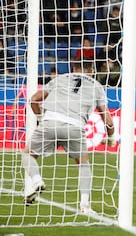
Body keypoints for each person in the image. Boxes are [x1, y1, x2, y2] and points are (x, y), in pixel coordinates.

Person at [21, 60, 115, 213]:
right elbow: (107, 119)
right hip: (75, 126)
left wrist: (41, 119)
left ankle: (37, 181)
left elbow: (33, 100)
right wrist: (111, 138)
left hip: (50, 121)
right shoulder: (97, 87)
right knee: (83, 163)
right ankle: (85, 206)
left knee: (28, 154)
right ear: (91, 71)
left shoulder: (59, 79)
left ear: (74, 68)